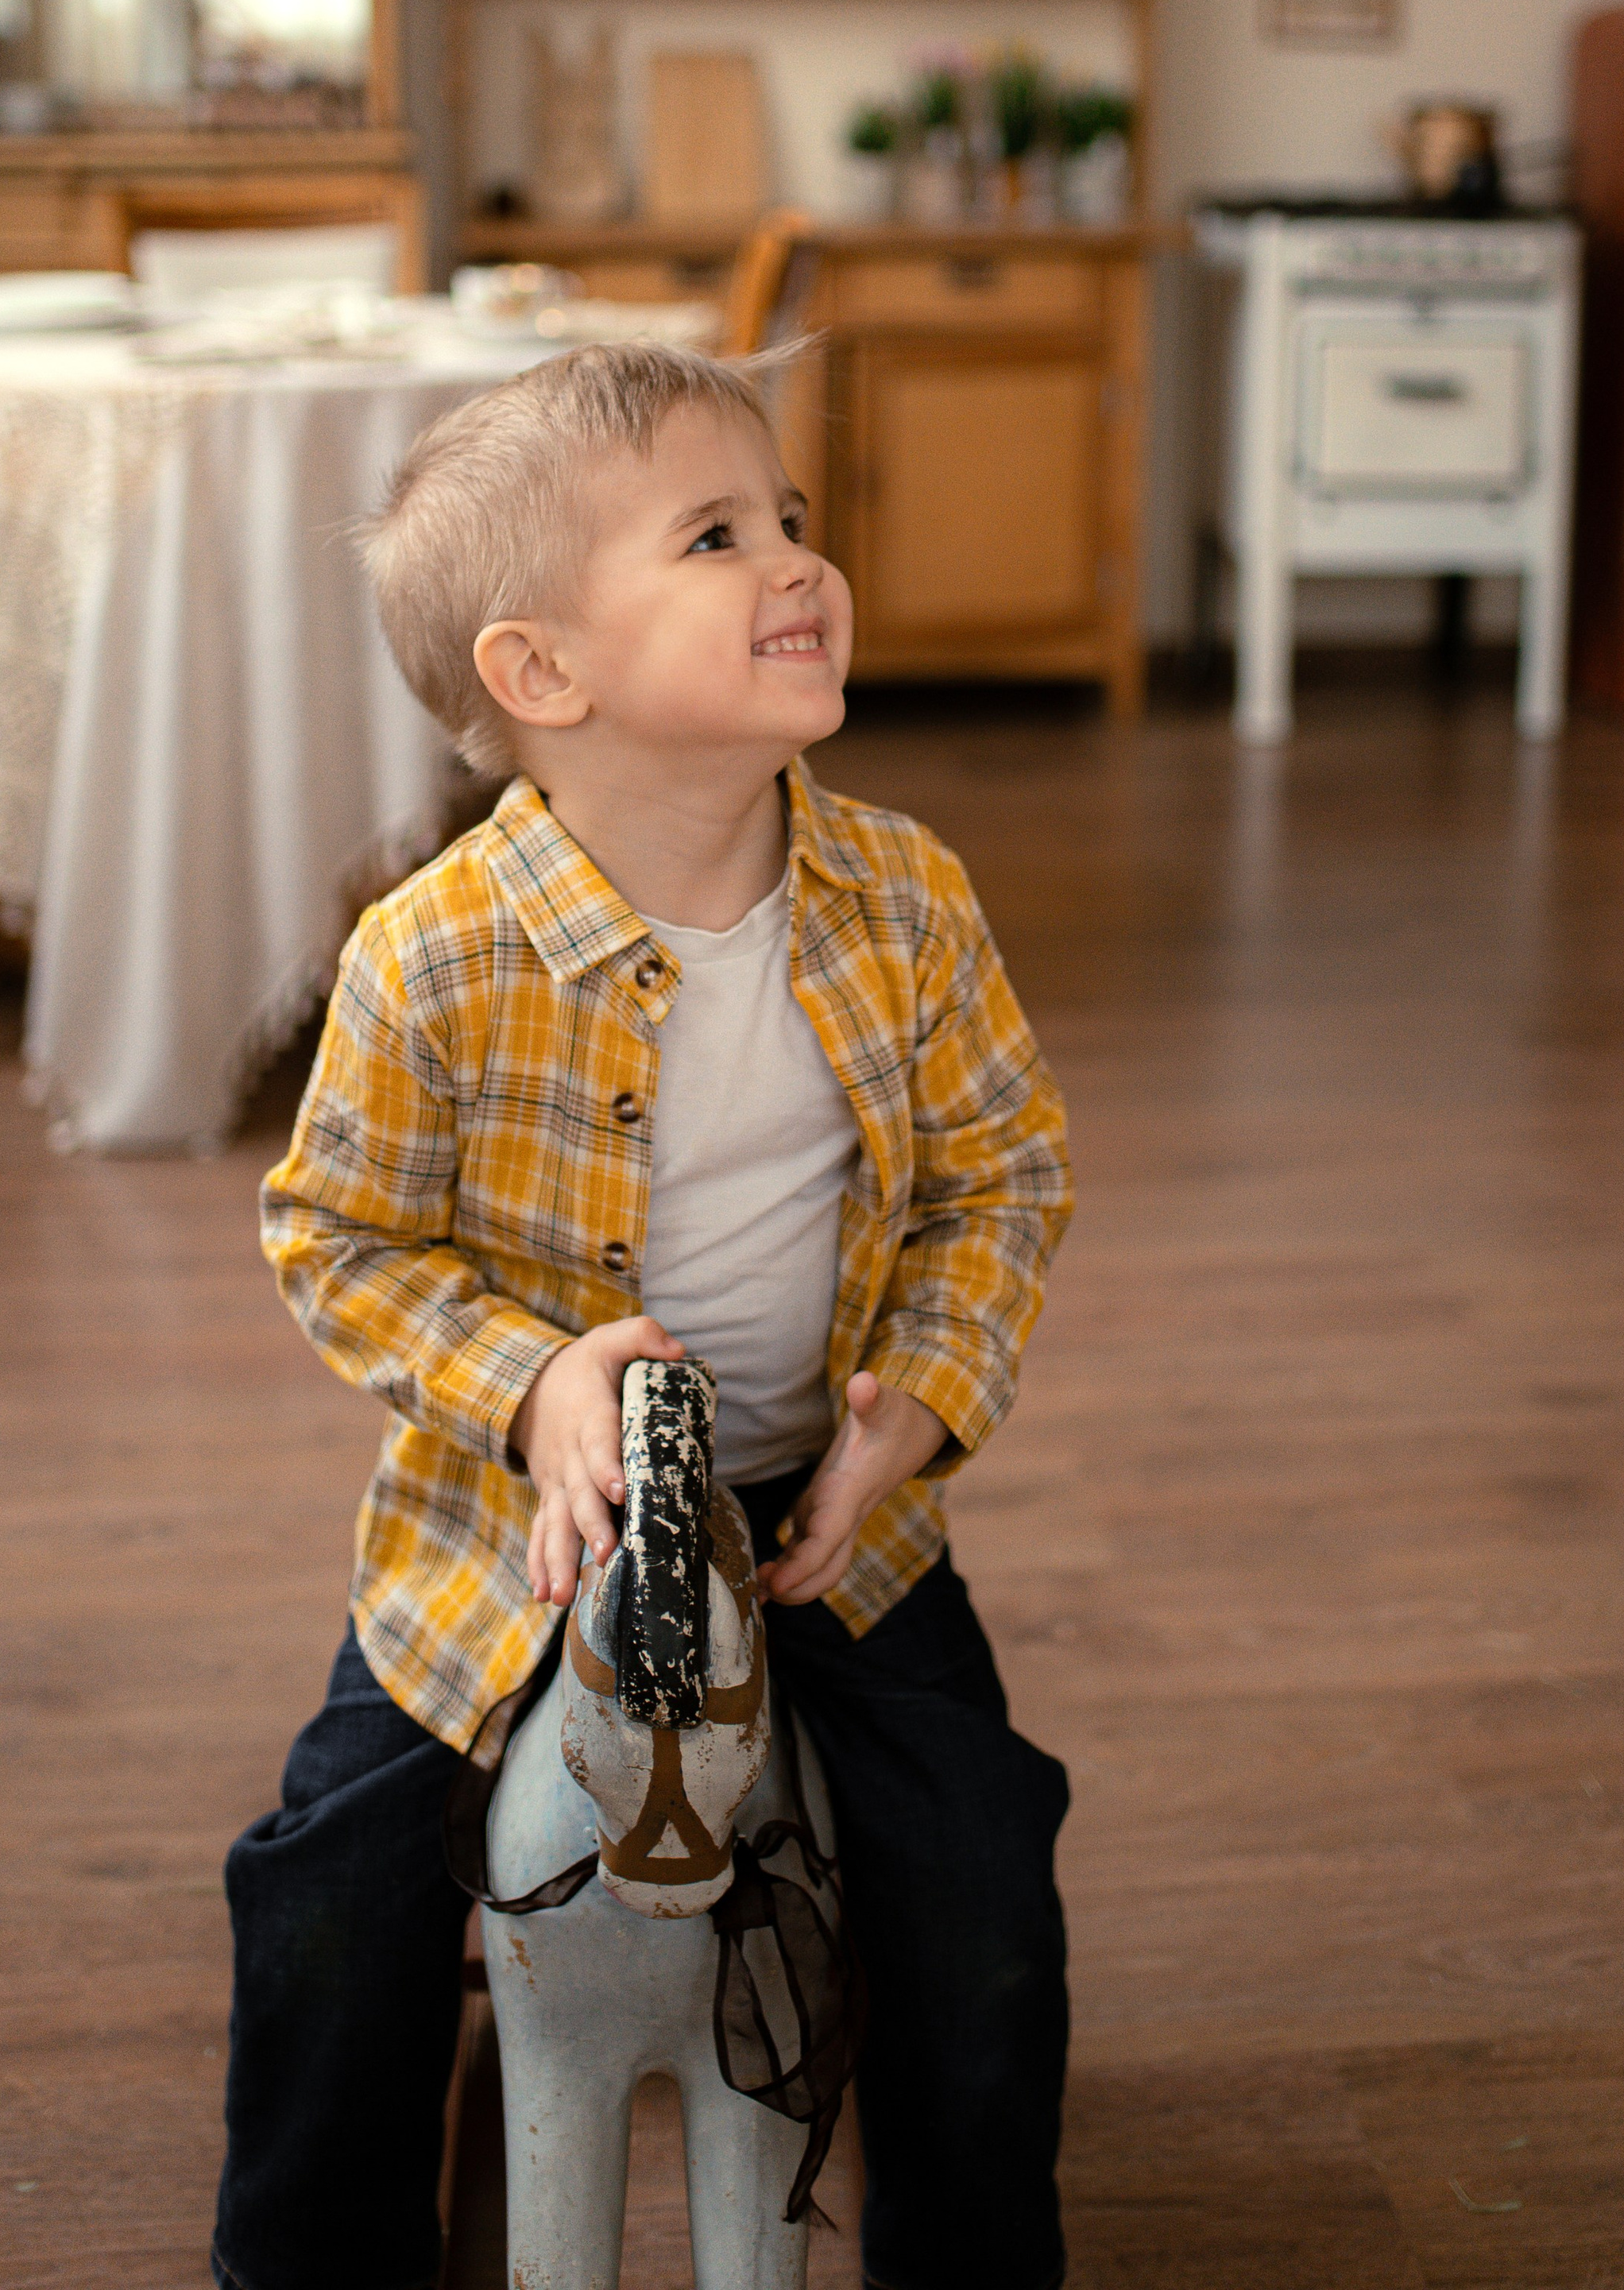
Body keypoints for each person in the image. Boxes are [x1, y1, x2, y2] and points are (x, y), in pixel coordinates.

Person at [212, 342, 1073, 2290]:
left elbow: (1001, 1176)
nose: (795, 559)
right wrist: (529, 1382)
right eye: (714, 533)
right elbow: (334, 1237)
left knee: (978, 1877)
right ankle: (307, 2260)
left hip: (819, 1522)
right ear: (542, 674)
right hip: (513, 1534)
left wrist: (908, 1418)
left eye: (789, 516)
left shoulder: (906, 904)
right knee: (326, 1888)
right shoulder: (432, 952)